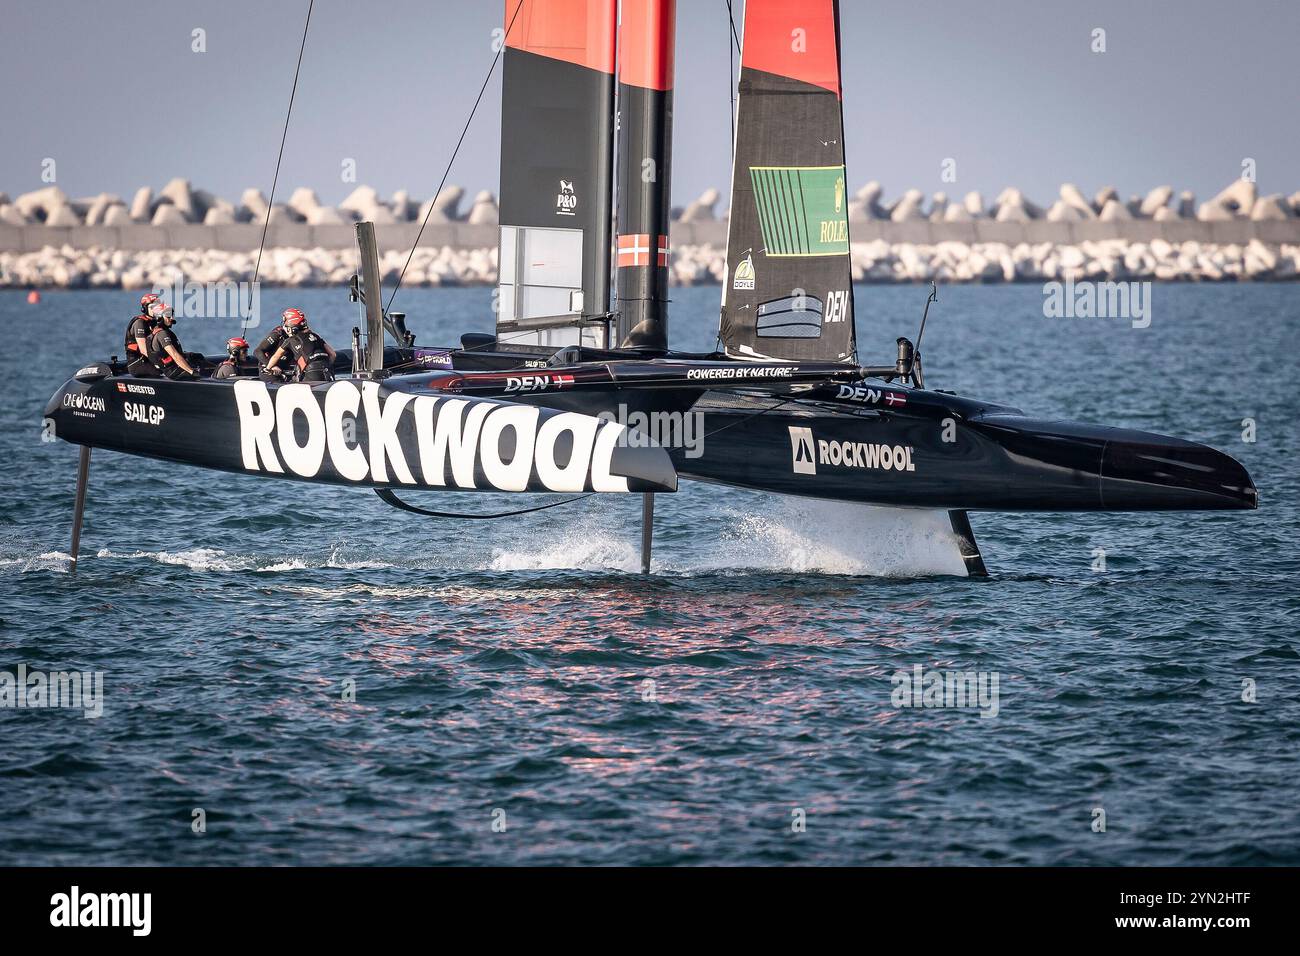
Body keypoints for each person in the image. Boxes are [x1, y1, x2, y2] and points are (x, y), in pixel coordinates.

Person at [266, 308, 337, 383]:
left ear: (290, 328)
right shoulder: (315, 336)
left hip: (311, 373)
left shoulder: (290, 340)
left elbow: (276, 356)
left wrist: (268, 369)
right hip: (328, 371)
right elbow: (333, 354)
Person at [147, 306, 199, 379]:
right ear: (159, 318)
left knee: (198, 358)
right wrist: (191, 371)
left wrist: (188, 356)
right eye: (168, 316)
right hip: (172, 371)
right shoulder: (162, 334)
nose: (172, 318)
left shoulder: (158, 332)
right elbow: (174, 355)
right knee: (201, 371)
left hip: (171, 368)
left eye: (172, 315)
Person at [124, 293, 163, 376]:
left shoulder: (155, 322)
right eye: (153, 307)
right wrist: (160, 364)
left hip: (149, 359)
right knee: (162, 372)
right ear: (144, 309)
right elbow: (143, 350)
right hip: (137, 363)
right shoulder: (139, 323)